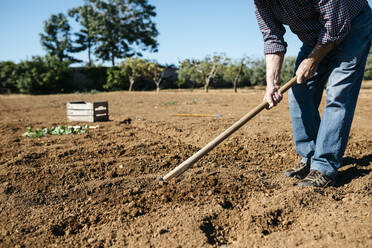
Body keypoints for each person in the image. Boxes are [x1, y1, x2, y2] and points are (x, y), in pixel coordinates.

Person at [254, 0, 372, 187]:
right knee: (299, 92)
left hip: (352, 26)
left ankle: (324, 166)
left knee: (338, 93)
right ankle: (310, 156)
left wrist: (313, 60)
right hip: (316, 36)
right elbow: (272, 39)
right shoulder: (261, 3)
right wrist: (272, 84)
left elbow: (335, 26)